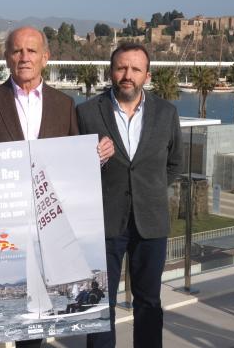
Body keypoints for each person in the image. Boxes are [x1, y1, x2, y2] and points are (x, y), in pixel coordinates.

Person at [0, 26, 114, 348]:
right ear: (6, 57)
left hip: (48, 225)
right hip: (3, 223)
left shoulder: (64, 104)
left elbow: (74, 165)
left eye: (31, 51)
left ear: (46, 57)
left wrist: (97, 158)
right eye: (17, 51)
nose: (24, 57)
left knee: (32, 338)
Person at [77, 43, 183, 348]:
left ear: (147, 75)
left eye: (135, 69)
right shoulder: (86, 113)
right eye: (121, 68)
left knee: (149, 301)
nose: (128, 75)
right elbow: (72, 168)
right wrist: (93, 159)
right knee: (99, 304)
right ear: (111, 71)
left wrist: (148, 191)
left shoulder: (166, 113)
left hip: (151, 223)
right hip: (103, 222)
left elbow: (175, 163)